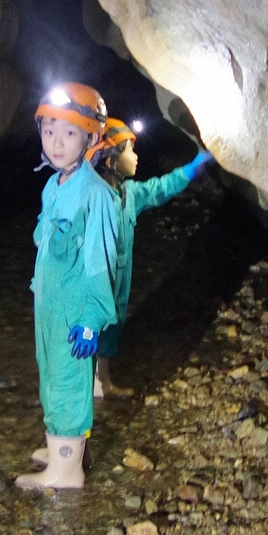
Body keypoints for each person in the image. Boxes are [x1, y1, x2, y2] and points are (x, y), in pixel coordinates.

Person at [14, 83, 121, 492]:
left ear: (91, 137)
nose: (56, 142)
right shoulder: (53, 186)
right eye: (49, 130)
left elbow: (100, 263)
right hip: (49, 308)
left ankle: (67, 470)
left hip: (75, 311)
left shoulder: (96, 195)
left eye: (69, 133)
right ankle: (60, 446)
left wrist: (92, 320)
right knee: (51, 377)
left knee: (68, 383)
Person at [93, 120, 213, 397]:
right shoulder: (91, 197)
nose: (136, 157)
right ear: (110, 158)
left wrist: (193, 168)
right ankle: (74, 400)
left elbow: (159, 188)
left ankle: (102, 384)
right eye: (129, 151)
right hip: (93, 280)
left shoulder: (129, 194)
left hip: (119, 277)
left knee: (113, 326)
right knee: (89, 329)